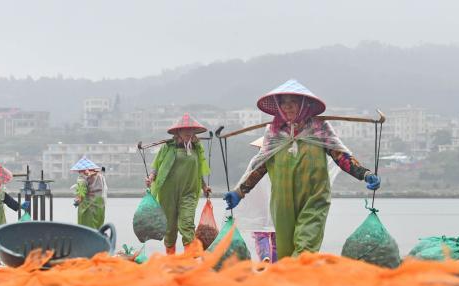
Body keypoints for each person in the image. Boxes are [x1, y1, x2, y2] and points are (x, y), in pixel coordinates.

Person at [223, 79, 381, 260]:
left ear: (304, 105)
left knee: (305, 247)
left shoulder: (319, 128)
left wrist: (365, 174)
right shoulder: (274, 132)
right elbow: (260, 166)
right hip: (282, 203)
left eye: (293, 103)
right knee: (285, 255)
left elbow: (341, 156)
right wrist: (239, 192)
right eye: (284, 103)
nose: (287, 108)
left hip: (314, 198)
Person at [145, 113, 212, 255]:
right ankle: (171, 259)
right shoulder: (168, 148)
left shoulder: (196, 148)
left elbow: (198, 170)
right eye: (185, 130)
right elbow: (156, 166)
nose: (188, 133)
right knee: (170, 228)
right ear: (178, 132)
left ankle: (190, 257)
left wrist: (204, 186)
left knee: (187, 223)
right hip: (168, 192)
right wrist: (151, 177)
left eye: (191, 130)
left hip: (189, 192)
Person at [234, 136, 277, 263]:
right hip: (275, 204)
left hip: (259, 205)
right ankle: (275, 263)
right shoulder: (279, 160)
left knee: (260, 233)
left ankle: (265, 257)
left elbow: (245, 181)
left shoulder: (255, 161)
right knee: (276, 235)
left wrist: (237, 194)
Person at [70, 156, 106, 229]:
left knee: (86, 229)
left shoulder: (82, 178)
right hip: (100, 206)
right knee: (98, 229)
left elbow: (81, 194)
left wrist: (77, 201)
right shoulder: (100, 176)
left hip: (87, 209)